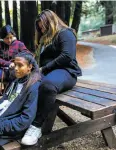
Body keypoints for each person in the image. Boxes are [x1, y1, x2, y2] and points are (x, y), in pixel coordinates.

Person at [21, 9, 82, 145]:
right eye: (39, 28)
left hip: (66, 71)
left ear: (51, 22)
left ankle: (36, 127)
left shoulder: (65, 33)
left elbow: (67, 56)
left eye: (43, 26)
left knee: (47, 86)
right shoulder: (45, 39)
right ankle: (21, 120)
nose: (41, 30)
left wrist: (44, 69)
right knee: (25, 83)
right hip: (48, 72)